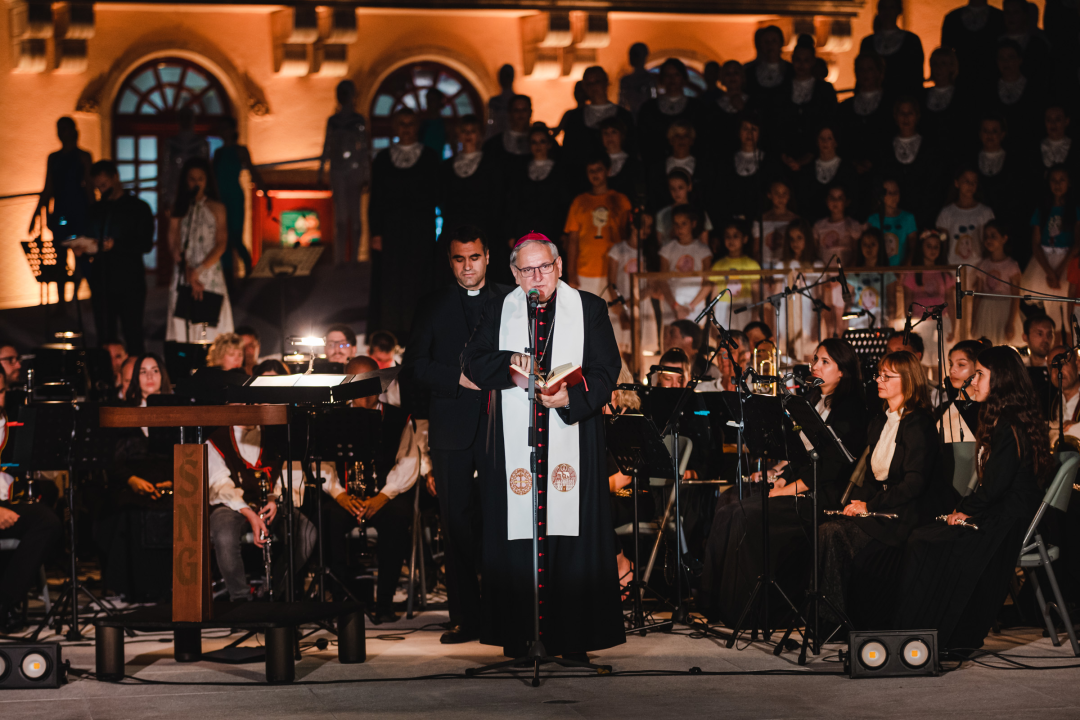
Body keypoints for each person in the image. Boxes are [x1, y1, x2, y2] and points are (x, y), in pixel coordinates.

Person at [460, 233, 624, 660]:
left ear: (559, 267)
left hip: (574, 437)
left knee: (571, 534)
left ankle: (574, 640)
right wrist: (511, 361)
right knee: (518, 532)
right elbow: (472, 361)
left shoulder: (589, 308)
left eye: (545, 267)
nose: (537, 277)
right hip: (515, 441)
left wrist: (571, 397)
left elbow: (607, 370)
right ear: (514, 274)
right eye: (527, 270)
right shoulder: (500, 307)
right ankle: (520, 636)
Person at [700, 338, 869, 625]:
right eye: (815, 359)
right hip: (802, 484)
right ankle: (712, 604)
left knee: (744, 514)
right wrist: (781, 480)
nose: (814, 366)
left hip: (825, 494)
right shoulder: (812, 401)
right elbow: (800, 454)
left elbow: (829, 468)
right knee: (729, 507)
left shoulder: (851, 409)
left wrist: (786, 491)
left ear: (843, 371)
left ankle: (746, 611)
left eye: (824, 362)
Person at [894, 346, 1049, 650]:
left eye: (979, 374)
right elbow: (966, 409)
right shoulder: (1003, 416)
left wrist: (962, 510)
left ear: (1001, 379)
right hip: (1001, 511)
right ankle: (919, 630)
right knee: (924, 536)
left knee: (923, 540)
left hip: (1008, 520)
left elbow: (994, 489)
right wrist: (962, 509)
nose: (973, 381)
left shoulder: (1009, 424)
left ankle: (929, 633)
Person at [405, 225, 508, 643]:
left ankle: (505, 615)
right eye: (459, 259)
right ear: (450, 262)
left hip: (503, 426)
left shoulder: (511, 298)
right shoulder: (432, 305)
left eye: (475, 257)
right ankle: (465, 617)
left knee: (504, 522)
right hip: (450, 428)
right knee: (456, 526)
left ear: (488, 257)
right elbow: (415, 365)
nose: (468, 266)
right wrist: (459, 379)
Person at [818, 350, 936, 629]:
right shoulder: (880, 421)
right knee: (828, 528)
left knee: (832, 533)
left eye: (887, 376)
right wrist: (857, 503)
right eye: (878, 375)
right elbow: (872, 478)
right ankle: (829, 618)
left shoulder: (919, 424)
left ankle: (833, 622)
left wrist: (869, 506)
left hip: (906, 513)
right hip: (883, 505)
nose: (879, 381)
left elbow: (914, 484)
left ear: (908, 381)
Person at [206, 418, 321, 602]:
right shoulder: (217, 440)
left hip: (272, 502)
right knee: (224, 534)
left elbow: (291, 473)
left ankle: (272, 590)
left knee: (307, 534)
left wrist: (275, 498)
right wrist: (249, 513)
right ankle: (241, 598)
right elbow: (221, 486)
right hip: (232, 505)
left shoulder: (277, 434)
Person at [100, 353, 175, 601]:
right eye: (143, 371)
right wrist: (133, 481)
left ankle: (172, 586)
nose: (149, 376)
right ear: (135, 378)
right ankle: (136, 590)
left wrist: (174, 481)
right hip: (131, 483)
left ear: (163, 375)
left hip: (170, 482)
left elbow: (186, 452)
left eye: (155, 370)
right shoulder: (123, 412)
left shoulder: (178, 410)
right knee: (128, 512)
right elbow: (113, 460)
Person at [369, 108, 440, 344]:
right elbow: (376, 198)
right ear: (394, 126)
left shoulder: (429, 156)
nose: (406, 128)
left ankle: (418, 332)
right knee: (390, 282)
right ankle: (390, 334)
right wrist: (376, 232)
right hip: (390, 231)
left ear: (417, 126)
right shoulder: (382, 158)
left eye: (410, 123)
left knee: (418, 280)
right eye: (402, 123)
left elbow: (437, 195)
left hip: (420, 229)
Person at [0, 369, 63, 632]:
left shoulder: (10, 420)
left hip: (8, 500)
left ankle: (5, 602)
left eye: (0, 391)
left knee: (48, 520)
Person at [83, 161, 155, 354]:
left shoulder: (138, 208)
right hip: (102, 280)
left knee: (133, 333)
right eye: (98, 187)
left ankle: (136, 369)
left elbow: (145, 244)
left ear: (115, 178)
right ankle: (107, 370)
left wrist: (117, 245)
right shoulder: (97, 209)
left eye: (104, 185)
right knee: (105, 337)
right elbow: (89, 235)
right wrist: (84, 247)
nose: (102, 191)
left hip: (130, 280)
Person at [166, 157, 234, 343]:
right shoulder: (179, 208)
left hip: (209, 272)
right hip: (184, 272)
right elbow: (173, 242)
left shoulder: (217, 208)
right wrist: (187, 271)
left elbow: (221, 243)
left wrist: (198, 271)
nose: (196, 183)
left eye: (200, 179)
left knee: (211, 325)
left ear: (207, 181)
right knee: (184, 323)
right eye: (192, 179)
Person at [503, 123, 570, 280]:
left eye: (542, 141)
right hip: (524, 231)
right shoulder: (520, 170)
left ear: (549, 144)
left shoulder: (560, 171)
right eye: (534, 142)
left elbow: (565, 204)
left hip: (552, 231)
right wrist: (510, 233)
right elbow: (513, 203)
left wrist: (565, 233)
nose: (538, 146)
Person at [563, 155, 632, 295]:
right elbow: (573, 240)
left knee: (614, 309)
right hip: (585, 272)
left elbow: (627, 236)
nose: (595, 174)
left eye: (599, 169)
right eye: (591, 171)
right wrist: (571, 273)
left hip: (614, 271)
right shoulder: (579, 202)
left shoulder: (621, 200)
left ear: (608, 171)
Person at [438, 114, 504, 262]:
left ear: (479, 134)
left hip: (483, 230)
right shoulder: (446, 167)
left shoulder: (492, 165)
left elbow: (497, 200)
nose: (468, 135)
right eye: (464, 131)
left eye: (472, 131)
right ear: (458, 134)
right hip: (453, 230)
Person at [318, 80, 370, 265]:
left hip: (354, 170)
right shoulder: (333, 121)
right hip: (337, 170)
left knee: (355, 215)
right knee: (340, 216)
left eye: (345, 93)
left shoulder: (358, 120)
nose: (343, 97)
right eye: (340, 93)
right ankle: (340, 257)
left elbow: (364, 148)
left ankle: (354, 256)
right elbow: (327, 145)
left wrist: (366, 174)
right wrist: (321, 170)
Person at [1022, 165, 1080, 331]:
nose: (1057, 184)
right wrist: (1049, 272)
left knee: (1071, 315)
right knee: (1052, 315)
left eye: (1062, 180)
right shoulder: (1042, 210)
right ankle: (1055, 346)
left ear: (1069, 182)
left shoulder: (1075, 209)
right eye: (1054, 180)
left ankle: (1072, 346)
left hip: (1068, 262)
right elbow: (1036, 244)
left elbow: (1077, 243)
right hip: (1044, 264)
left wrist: (1060, 270)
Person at [560, 66, 636, 186]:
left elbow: (631, 147)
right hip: (583, 183)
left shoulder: (624, 116)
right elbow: (569, 154)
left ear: (606, 83)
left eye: (597, 81)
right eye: (589, 83)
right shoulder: (575, 118)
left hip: (620, 181)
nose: (593, 87)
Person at [214, 117, 267, 280]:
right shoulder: (218, 153)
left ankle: (249, 271)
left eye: (226, 128)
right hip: (221, 198)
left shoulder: (241, 150)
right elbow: (213, 177)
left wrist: (265, 191)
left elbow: (253, 171)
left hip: (235, 196)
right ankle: (228, 276)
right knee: (223, 237)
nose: (223, 132)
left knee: (236, 236)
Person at [28, 117, 93, 241]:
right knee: (61, 247)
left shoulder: (83, 157)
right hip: (62, 210)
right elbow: (48, 188)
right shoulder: (54, 158)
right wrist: (37, 214)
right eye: (59, 129)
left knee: (79, 247)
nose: (60, 133)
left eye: (63, 129)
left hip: (78, 210)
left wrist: (93, 212)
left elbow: (90, 187)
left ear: (72, 131)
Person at [813, 185, 864, 336]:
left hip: (845, 278)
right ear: (826, 201)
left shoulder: (852, 225)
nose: (835, 202)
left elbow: (855, 253)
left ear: (846, 202)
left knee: (842, 317)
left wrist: (844, 277)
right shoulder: (819, 226)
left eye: (840, 198)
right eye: (832, 198)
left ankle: (842, 345)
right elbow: (816, 253)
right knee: (827, 315)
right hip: (826, 278)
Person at [903, 230, 956, 366]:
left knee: (939, 360)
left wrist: (954, 328)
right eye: (929, 246)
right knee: (922, 360)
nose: (933, 250)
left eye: (936, 247)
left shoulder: (945, 273)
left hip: (940, 322)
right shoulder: (912, 273)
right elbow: (907, 302)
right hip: (920, 322)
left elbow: (951, 302)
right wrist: (909, 326)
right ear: (921, 247)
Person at [658, 205, 713, 324]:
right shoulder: (667, 249)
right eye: (676, 224)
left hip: (695, 305)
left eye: (684, 224)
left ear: (693, 224)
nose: (679, 228)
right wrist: (675, 305)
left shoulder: (703, 251)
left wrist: (691, 306)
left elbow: (707, 283)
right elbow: (663, 281)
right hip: (671, 305)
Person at [794, 125, 859, 222]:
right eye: (821, 138)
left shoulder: (847, 168)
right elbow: (802, 200)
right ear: (817, 141)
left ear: (835, 142)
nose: (825, 142)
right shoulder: (807, 169)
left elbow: (853, 200)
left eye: (829, 138)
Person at [859, 0, 924, 96]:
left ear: (899, 10)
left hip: (903, 98)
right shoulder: (867, 42)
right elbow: (861, 75)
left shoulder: (912, 41)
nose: (887, 12)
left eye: (891, 7)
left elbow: (916, 77)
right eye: (884, 8)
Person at [972, 221, 1022, 345]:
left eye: (993, 236)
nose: (989, 240)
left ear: (1004, 238)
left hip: (1004, 310)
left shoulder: (1011, 266)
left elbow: (1016, 296)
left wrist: (1011, 322)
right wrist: (974, 321)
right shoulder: (983, 265)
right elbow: (977, 295)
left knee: (1002, 344)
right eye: (986, 236)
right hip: (986, 311)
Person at [941, 0, 1005, 96]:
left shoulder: (1000, 17)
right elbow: (944, 56)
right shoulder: (952, 18)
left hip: (993, 84)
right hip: (960, 84)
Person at [938, 168, 995, 266]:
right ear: (957, 183)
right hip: (953, 266)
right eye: (966, 181)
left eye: (974, 182)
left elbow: (990, 240)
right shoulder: (947, 212)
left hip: (979, 266)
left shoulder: (985, 212)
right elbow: (943, 240)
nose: (970, 185)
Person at [710, 220, 760, 330]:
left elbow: (756, 293)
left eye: (735, 236)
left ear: (745, 239)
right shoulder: (718, 265)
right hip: (723, 305)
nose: (731, 240)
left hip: (744, 305)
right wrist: (712, 315)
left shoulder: (752, 265)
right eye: (728, 236)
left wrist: (755, 315)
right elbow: (714, 292)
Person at [867, 179, 918, 266]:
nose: (894, 196)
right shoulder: (873, 219)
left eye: (896, 192)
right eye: (890, 193)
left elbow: (913, 245)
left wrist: (906, 265)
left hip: (900, 268)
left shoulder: (908, 218)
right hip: (879, 269)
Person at [655, 169, 712, 245]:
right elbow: (660, 243)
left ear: (689, 186)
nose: (676, 192)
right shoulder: (662, 214)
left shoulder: (700, 212)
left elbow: (704, 243)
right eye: (673, 189)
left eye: (680, 188)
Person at [1022, 314, 1056, 417]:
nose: (1046, 339)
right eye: (1040, 334)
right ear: (1025, 337)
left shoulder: (1058, 368)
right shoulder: (1020, 369)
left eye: (1049, 334)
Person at [1048, 345, 1080, 449]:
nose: (1058, 370)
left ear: (1077, 365)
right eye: (1053, 365)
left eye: (1063, 363)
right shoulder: (1048, 401)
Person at [483, 94, 532, 160]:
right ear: (510, 113)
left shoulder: (541, 142)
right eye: (516, 110)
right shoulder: (494, 144)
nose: (520, 114)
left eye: (524, 110)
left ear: (530, 112)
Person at [618, 42, 656, 120]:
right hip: (629, 118)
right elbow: (622, 103)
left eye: (636, 55)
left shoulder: (650, 80)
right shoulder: (625, 81)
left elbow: (653, 101)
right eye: (631, 55)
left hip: (646, 118)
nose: (632, 58)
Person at [486, 64, 516, 139]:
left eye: (507, 76)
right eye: (502, 76)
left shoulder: (517, 101)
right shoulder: (494, 102)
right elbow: (490, 123)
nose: (505, 79)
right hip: (498, 137)